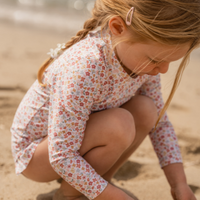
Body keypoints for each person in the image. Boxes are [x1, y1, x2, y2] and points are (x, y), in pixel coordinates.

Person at [11, 0, 200, 200]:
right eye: (156, 60)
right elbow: (62, 156)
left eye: (169, 61)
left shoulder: (143, 63)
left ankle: (97, 183)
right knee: (119, 124)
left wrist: (179, 184)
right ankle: (70, 195)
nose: (163, 70)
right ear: (118, 28)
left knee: (147, 110)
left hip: (76, 142)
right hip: (37, 155)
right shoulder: (85, 67)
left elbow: (159, 124)